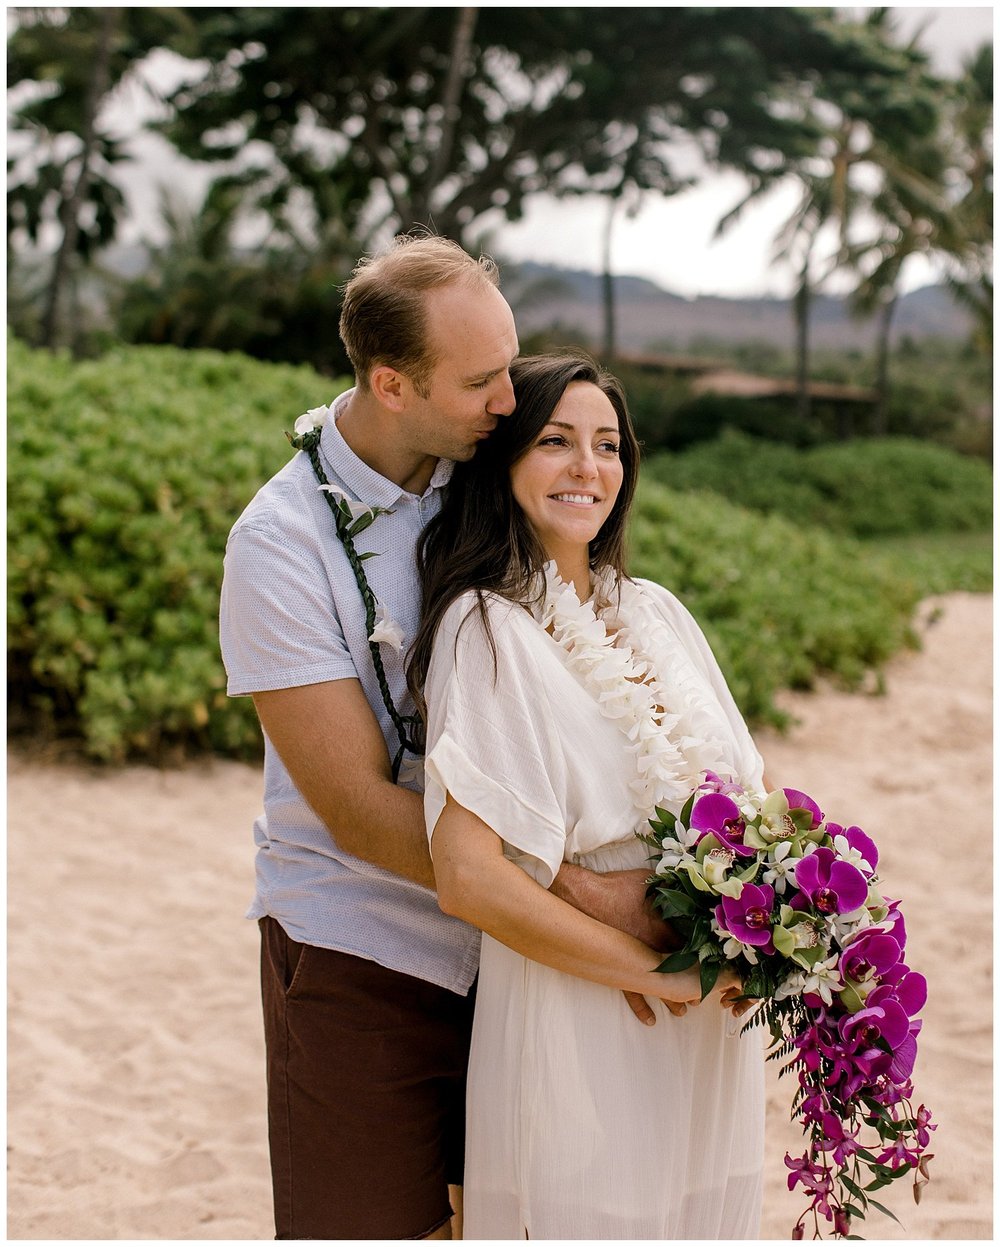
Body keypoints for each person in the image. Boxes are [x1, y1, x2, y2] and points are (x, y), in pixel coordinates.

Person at [219, 237, 682, 1241]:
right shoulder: (280, 544)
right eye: (482, 382)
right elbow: (351, 805)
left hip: (520, 963)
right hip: (365, 951)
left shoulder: (482, 474)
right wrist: (581, 893)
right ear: (392, 383)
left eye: (507, 367)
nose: (510, 403)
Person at [406, 352, 767, 1240]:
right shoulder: (487, 627)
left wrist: (782, 926)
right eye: (556, 441)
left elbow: (756, 808)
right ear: (505, 462)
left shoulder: (656, 611)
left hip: (706, 1021)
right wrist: (658, 974)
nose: (587, 467)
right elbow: (469, 877)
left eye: (607, 445)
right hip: (584, 1011)